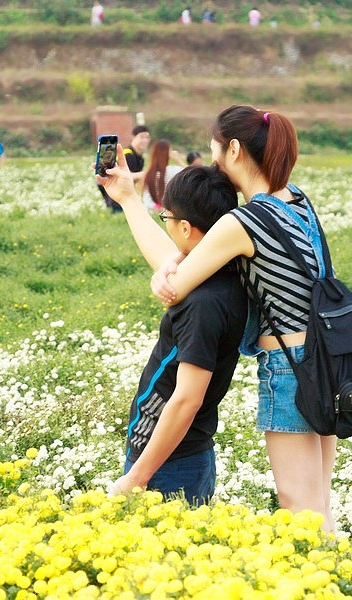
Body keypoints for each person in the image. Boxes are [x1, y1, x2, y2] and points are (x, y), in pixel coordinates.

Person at [149, 105, 338, 532]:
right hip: (329, 360)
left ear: (233, 149)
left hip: (290, 369)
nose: (214, 165)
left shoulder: (244, 220)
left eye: (215, 154)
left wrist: (167, 269)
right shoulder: (299, 201)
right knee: (320, 501)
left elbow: (175, 290)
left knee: (300, 505)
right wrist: (180, 255)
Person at [97, 152, 246, 505]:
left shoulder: (203, 303)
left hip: (171, 463)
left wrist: (136, 477)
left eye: (166, 216)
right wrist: (129, 198)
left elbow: (186, 400)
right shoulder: (218, 275)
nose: (165, 222)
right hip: (176, 456)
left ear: (185, 228)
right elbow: (167, 256)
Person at [108, 125, 151, 213]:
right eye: (142, 137)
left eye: (147, 137)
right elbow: (126, 176)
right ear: (133, 137)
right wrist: (146, 173)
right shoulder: (127, 154)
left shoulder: (140, 157)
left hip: (126, 193)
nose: (145, 140)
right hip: (117, 193)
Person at [142, 139, 185, 212]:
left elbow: (146, 198)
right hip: (169, 212)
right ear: (168, 153)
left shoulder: (148, 173)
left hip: (150, 211)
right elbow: (192, 175)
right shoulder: (174, 170)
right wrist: (178, 160)